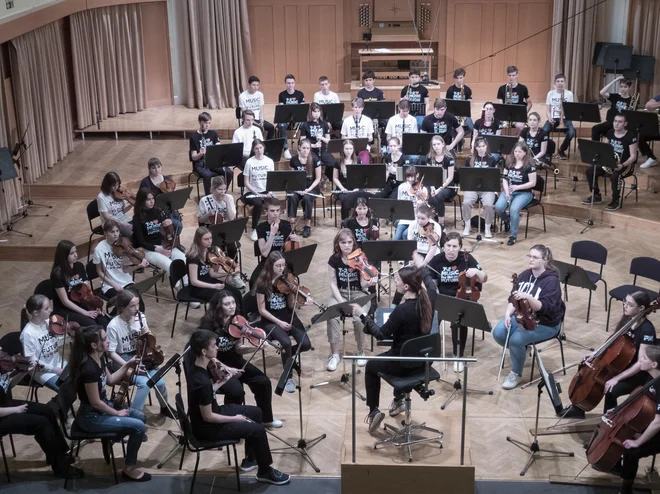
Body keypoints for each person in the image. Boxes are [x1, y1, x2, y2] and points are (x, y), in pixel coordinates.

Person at [186, 329, 291, 485]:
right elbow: (208, 416)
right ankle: (265, 471)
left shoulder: (198, 369)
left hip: (214, 414)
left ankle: (252, 457)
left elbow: (208, 394)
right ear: (203, 351)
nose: (217, 348)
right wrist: (235, 419)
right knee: (258, 430)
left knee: (256, 412)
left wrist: (223, 381)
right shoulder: (200, 380)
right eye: (214, 346)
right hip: (208, 428)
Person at [355, 266, 433, 431]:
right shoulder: (426, 303)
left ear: (406, 287)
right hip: (422, 362)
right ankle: (398, 401)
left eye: (397, 279)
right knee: (399, 351)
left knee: (371, 365)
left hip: (402, 363)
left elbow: (381, 335)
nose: (394, 281)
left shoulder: (402, 311)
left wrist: (362, 315)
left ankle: (374, 411)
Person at [69, 325, 150, 481]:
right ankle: (129, 469)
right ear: (94, 345)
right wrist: (116, 413)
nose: (108, 342)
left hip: (100, 409)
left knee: (140, 417)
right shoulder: (89, 369)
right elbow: (95, 403)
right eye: (104, 339)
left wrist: (128, 365)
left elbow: (111, 380)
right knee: (138, 427)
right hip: (91, 417)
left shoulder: (99, 359)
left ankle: (111, 438)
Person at [561, 291, 656, 419]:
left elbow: (641, 363)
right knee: (584, 365)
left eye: (629, 304)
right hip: (619, 365)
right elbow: (613, 343)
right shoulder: (628, 320)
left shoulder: (647, 330)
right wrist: (596, 353)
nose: (625, 306)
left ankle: (609, 420)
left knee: (611, 389)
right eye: (625, 302)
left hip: (636, 374)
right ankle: (578, 408)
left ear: (641, 308)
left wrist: (617, 378)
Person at [199, 290, 282, 428]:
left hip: (234, 360)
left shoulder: (237, 321)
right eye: (227, 304)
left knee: (263, 382)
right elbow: (206, 355)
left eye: (233, 303)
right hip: (214, 365)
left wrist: (255, 348)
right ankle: (231, 423)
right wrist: (227, 369)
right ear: (218, 307)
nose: (232, 306)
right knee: (236, 391)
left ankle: (266, 419)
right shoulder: (208, 325)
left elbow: (238, 348)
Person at [0, 351, 83, 479]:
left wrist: (23, 372)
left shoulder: (2, 368)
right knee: (41, 424)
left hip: (7, 405)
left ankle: (59, 454)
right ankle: (60, 468)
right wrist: (16, 410)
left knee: (47, 410)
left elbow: (8, 385)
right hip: (3, 417)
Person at [492, 244, 565, 390]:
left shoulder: (551, 281)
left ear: (544, 260)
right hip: (523, 316)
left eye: (535, 257)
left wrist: (528, 297)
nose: (531, 259)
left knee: (516, 340)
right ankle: (523, 350)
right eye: (529, 256)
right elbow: (514, 297)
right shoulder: (525, 274)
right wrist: (507, 314)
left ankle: (516, 373)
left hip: (546, 323)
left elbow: (544, 308)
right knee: (499, 332)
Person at [422, 232, 487, 370]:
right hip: (443, 298)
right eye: (448, 246)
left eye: (454, 246)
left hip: (462, 298)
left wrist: (476, 271)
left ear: (460, 247)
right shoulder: (436, 260)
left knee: (459, 322)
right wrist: (437, 297)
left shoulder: (467, 259)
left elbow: (484, 278)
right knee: (429, 319)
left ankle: (458, 356)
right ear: (443, 246)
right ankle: (430, 353)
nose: (451, 249)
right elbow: (432, 285)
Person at [105, 290, 175, 418]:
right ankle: (135, 416)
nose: (137, 308)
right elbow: (111, 354)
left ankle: (164, 407)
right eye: (132, 306)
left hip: (140, 356)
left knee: (160, 382)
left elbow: (149, 341)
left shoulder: (141, 317)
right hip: (122, 359)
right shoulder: (113, 326)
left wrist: (147, 332)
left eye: (138, 304)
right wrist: (128, 364)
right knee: (144, 383)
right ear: (122, 307)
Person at [254, 252, 312, 393]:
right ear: (270, 266)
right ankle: (288, 376)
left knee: (306, 344)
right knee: (286, 342)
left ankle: (287, 356)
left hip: (287, 315)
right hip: (270, 320)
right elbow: (261, 310)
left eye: (283, 265)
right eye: (278, 266)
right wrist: (279, 322)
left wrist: (295, 295)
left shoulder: (287, 281)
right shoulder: (262, 284)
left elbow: (291, 306)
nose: (281, 269)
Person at [326, 229, 375, 372]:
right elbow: (333, 283)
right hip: (339, 293)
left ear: (353, 242)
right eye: (343, 242)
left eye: (349, 242)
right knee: (332, 315)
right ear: (338, 244)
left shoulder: (360, 258)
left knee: (359, 318)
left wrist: (369, 281)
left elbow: (364, 284)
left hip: (358, 293)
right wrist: (341, 301)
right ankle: (335, 355)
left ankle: (361, 351)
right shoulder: (333, 260)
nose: (347, 246)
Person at [615, 345, 660, 494]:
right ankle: (615, 465)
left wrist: (638, 441)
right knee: (623, 433)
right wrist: (618, 411)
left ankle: (626, 488)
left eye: (644, 358)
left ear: (654, 364)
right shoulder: (652, 377)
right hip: (651, 422)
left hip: (658, 428)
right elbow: (639, 400)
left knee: (631, 450)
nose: (640, 360)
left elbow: (658, 423)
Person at [582, 113, 638, 211]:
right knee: (590, 170)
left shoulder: (630, 136)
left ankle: (615, 200)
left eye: (620, 122)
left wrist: (622, 165)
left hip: (625, 165)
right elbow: (607, 149)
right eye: (615, 121)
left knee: (615, 176)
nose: (616, 124)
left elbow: (633, 156)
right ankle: (596, 195)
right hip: (611, 163)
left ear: (625, 124)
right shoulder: (610, 133)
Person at [51, 240, 111, 327]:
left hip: (82, 303)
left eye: (76, 251)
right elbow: (65, 301)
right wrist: (85, 312)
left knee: (104, 321)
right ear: (63, 256)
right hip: (66, 309)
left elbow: (86, 290)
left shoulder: (79, 266)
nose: (76, 255)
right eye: (71, 253)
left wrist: (94, 305)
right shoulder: (57, 274)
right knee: (92, 324)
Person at [93, 219, 148, 312]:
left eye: (117, 231)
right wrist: (114, 285)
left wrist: (139, 266)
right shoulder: (99, 249)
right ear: (105, 233)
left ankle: (138, 323)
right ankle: (116, 319)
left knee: (139, 303)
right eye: (112, 232)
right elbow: (99, 272)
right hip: (109, 285)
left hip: (125, 281)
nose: (116, 234)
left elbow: (125, 270)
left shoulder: (123, 245)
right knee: (125, 303)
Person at [132, 188, 187, 275]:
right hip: (150, 249)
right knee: (171, 266)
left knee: (185, 260)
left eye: (153, 198)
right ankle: (179, 287)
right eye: (148, 199)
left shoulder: (158, 211)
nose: (152, 202)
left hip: (165, 245)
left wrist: (169, 223)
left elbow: (168, 232)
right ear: (142, 201)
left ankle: (186, 285)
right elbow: (141, 242)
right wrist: (159, 250)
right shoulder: (137, 218)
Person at [249, 197, 301, 289]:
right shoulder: (261, 227)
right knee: (253, 282)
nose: (275, 213)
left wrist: (296, 240)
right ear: (266, 212)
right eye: (272, 211)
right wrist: (272, 234)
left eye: (277, 210)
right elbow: (264, 253)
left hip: (283, 263)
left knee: (288, 284)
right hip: (267, 262)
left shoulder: (287, 225)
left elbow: (292, 248)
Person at [20, 294, 66, 391]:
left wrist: (71, 337)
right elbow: (33, 361)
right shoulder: (28, 334)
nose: (50, 310)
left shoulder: (49, 322)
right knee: (65, 389)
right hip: (42, 371)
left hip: (58, 363)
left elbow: (55, 343)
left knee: (82, 379)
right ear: (36, 312)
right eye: (46, 308)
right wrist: (55, 370)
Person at [494, 142, 537, 246]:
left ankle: (513, 235)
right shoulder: (509, 163)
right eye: (515, 151)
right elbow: (504, 178)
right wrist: (507, 191)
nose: (517, 154)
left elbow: (533, 183)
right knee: (498, 207)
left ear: (525, 153)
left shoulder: (529, 165)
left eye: (520, 152)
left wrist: (518, 187)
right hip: (510, 191)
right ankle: (507, 220)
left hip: (524, 193)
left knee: (514, 209)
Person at [186, 227, 245, 302]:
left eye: (210, 238)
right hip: (198, 289)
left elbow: (212, 274)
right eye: (206, 239)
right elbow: (194, 281)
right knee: (225, 298)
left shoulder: (209, 253)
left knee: (236, 293)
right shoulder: (193, 257)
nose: (210, 241)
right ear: (198, 240)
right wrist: (214, 286)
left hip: (210, 281)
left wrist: (229, 273)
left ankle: (238, 313)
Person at [462, 137, 499, 238]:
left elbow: (495, 176)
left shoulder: (492, 159)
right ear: (476, 148)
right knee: (465, 203)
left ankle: (487, 227)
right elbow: (466, 175)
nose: (481, 148)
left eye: (483, 146)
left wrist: (495, 192)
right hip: (472, 187)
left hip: (487, 188)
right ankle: (467, 225)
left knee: (488, 205)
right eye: (479, 146)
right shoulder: (470, 159)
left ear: (486, 147)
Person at [138, 158, 183, 236]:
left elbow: (172, 196)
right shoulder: (145, 182)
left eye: (158, 167)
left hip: (168, 208)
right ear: (149, 169)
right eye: (153, 168)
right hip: (154, 209)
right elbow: (142, 199)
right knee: (170, 226)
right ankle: (166, 242)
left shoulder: (167, 180)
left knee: (179, 225)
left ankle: (175, 242)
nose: (157, 170)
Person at [241, 139, 275, 241]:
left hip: (265, 191)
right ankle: (255, 229)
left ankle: (272, 228)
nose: (259, 150)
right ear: (253, 150)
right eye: (256, 149)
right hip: (251, 192)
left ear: (263, 148)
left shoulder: (269, 161)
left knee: (274, 202)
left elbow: (272, 179)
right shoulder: (249, 162)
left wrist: (270, 192)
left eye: (260, 148)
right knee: (258, 204)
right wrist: (257, 194)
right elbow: (246, 183)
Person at [287, 138, 321, 238]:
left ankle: (307, 226)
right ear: (299, 148)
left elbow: (318, 178)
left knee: (307, 198)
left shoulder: (315, 159)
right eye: (304, 148)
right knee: (292, 197)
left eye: (308, 148)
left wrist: (308, 190)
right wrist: (298, 190)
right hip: (297, 188)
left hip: (311, 188)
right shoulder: (294, 160)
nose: (306, 150)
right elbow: (292, 179)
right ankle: (292, 226)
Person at [419, 135, 457, 225]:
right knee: (425, 193)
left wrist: (439, 189)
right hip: (433, 184)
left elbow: (450, 177)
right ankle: (429, 218)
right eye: (434, 144)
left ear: (443, 144)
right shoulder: (429, 157)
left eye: (438, 144)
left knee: (438, 196)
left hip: (447, 186)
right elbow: (429, 174)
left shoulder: (449, 158)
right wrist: (432, 188)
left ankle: (441, 222)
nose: (436, 146)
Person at [333, 139, 372, 220]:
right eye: (346, 149)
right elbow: (335, 178)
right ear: (343, 150)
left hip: (356, 187)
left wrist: (357, 188)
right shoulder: (338, 162)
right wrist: (342, 188)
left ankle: (363, 220)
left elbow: (361, 177)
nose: (348, 151)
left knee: (364, 197)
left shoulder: (358, 160)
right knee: (345, 199)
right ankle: (345, 221)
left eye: (350, 149)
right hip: (343, 189)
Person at [189, 112, 226, 195]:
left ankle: (222, 193)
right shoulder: (194, 137)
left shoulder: (213, 134)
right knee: (207, 174)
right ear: (200, 122)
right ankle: (209, 196)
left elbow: (218, 149)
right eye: (205, 123)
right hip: (200, 163)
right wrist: (200, 154)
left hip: (213, 161)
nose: (207, 125)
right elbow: (193, 157)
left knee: (228, 172)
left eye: (209, 123)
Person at [299, 102, 336, 182]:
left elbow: (328, 141)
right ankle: (315, 181)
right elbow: (302, 141)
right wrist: (313, 145)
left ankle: (328, 176)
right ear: (310, 112)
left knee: (333, 162)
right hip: (311, 149)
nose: (316, 114)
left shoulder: (324, 124)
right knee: (315, 162)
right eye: (314, 112)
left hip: (322, 149)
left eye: (318, 111)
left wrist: (322, 138)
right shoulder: (305, 125)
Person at [543, 73, 575, 160]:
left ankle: (562, 150)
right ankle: (547, 151)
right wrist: (549, 118)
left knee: (571, 132)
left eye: (562, 81)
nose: (560, 83)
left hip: (565, 119)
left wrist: (563, 111)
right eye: (558, 81)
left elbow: (570, 110)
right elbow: (548, 110)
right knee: (544, 131)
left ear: (565, 83)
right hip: (553, 117)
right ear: (555, 83)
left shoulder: (569, 94)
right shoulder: (550, 93)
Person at [394, 166, 431, 240]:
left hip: (416, 219)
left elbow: (425, 209)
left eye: (412, 177)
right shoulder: (402, 187)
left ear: (417, 175)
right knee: (396, 238)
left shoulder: (423, 189)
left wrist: (421, 203)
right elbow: (399, 203)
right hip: (404, 218)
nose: (410, 179)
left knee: (405, 235)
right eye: (408, 177)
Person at [592, 75, 633, 142]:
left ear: (629, 88)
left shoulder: (632, 100)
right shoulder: (616, 96)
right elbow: (601, 92)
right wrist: (615, 80)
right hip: (611, 123)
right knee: (595, 128)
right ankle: (596, 149)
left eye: (625, 87)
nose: (623, 88)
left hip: (622, 125)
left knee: (612, 133)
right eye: (621, 86)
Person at [496, 65, 532, 135]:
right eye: (509, 75)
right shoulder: (502, 88)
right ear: (507, 75)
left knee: (520, 126)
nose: (511, 78)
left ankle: (518, 144)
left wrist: (524, 113)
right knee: (502, 126)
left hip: (518, 115)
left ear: (517, 75)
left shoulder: (523, 88)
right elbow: (501, 105)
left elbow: (529, 103)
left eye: (513, 75)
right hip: (506, 115)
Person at [277, 74, 305, 160]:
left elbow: (302, 109)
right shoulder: (282, 95)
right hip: (286, 119)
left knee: (304, 124)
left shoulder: (300, 94)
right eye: (288, 83)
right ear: (285, 83)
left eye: (292, 83)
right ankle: (286, 149)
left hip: (297, 118)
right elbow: (281, 110)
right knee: (281, 125)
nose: (290, 85)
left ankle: (299, 147)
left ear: (294, 83)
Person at [97, 171, 132, 238]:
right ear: (107, 185)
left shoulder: (118, 193)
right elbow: (106, 217)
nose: (116, 187)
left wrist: (132, 203)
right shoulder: (101, 197)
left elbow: (122, 211)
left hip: (124, 219)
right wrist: (122, 223)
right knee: (132, 234)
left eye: (118, 184)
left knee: (141, 229)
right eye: (113, 185)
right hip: (111, 223)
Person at [239, 76, 274, 140]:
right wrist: (253, 122)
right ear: (249, 85)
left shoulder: (260, 94)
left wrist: (261, 120)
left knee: (271, 127)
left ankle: (268, 145)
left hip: (258, 119)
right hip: (248, 119)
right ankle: (260, 145)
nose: (256, 87)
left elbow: (261, 109)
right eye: (254, 85)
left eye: (257, 85)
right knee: (258, 128)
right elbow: (244, 112)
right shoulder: (242, 96)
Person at [341, 97, 375, 163]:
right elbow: (343, 137)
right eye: (356, 107)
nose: (357, 110)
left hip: (363, 147)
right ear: (352, 108)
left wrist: (363, 139)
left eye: (359, 107)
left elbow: (371, 137)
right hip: (350, 147)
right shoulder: (346, 121)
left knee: (364, 162)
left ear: (362, 108)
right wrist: (350, 139)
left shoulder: (368, 120)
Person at [357, 70, 386, 145]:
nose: (368, 82)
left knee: (386, 122)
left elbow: (382, 107)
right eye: (366, 80)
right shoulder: (360, 93)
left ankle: (384, 145)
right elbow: (359, 107)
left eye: (370, 80)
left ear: (374, 80)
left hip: (377, 117)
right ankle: (367, 143)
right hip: (365, 117)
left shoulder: (379, 92)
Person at [445, 68, 474, 134]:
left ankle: (462, 138)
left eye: (461, 78)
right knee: (449, 127)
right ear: (454, 79)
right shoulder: (450, 90)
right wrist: (453, 116)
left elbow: (469, 105)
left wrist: (465, 116)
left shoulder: (467, 90)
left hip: (464, 114)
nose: (459, 80)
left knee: (471, 127)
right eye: (457, 78)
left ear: (464, 78)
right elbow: (447, 105)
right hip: (453, 114)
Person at [639, 94, 660, 169]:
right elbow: (648, 105)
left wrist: (657, 104)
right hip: (657, 129)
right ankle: (651, 158)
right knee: (639, 135)